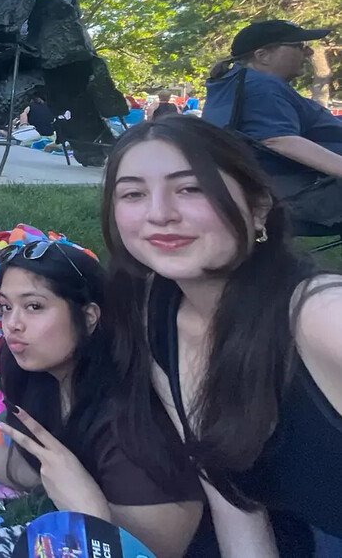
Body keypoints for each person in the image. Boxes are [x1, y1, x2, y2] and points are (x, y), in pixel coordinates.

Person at [103, 115, 342, 556]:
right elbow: (230, 496)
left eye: (190, 188)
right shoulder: (157, 309)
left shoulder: (319, 317)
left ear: (258, 207)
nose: (159, 214)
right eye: (134, 193)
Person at [0, 237, 203, 558]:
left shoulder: (134, 424)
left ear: (89, 317)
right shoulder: (33, 375)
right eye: (7, 307)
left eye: (34, 306)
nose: (12, 325)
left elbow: (158, 549)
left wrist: (88, 510)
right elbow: (42, 471)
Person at [203, 19, 341, 229]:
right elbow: (279, 140)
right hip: (299, 195)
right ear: (262, 56)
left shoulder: (236, 82)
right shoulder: (261, 85)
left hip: (280, 189)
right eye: (298, 46)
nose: (309, 53)